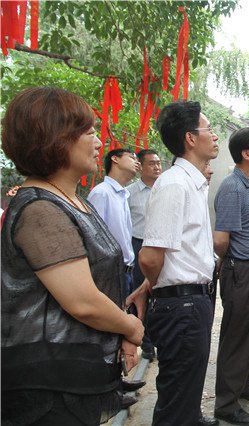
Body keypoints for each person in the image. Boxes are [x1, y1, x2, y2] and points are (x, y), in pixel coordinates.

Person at [1, 87, 144, 425]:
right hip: (48, 386)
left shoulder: (71, 198)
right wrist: (132, 327)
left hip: (74, 376)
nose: (99, 142)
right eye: (90, 132)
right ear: (56, 137)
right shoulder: (41, 209)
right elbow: (83, 302)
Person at [128, 101, 219, 426]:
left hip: (192, 301)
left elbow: (172, 253)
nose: (215, 136)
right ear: (190, 138)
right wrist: (159, 284)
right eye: (209, 129)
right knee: (176, 401)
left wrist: (152, 283)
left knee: (187, 389)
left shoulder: (192, 183)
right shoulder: (175, 184)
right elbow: (150, 256)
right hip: (182, 306)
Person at [213, 127, 249, 426]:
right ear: (246, 153)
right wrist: (233, 265)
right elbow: (220, 240)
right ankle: (225, 403)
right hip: (242, 270)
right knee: (237, 336)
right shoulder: (232, 188)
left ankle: (243, 384)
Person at [88, 148, 139, 297]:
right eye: (132, 157)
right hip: (110, 273)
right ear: (115, 159)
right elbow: (94, 236)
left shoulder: (123, 194)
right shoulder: (101, 193)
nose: (137, 162)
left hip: (126, 271)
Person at [126, 148, 162, 361]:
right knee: (141, 295)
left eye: (158, 163)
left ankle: (160, 338)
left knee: (161, 293)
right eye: (151, 163)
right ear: (140, 166)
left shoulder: (165, 189)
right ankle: (147, 344)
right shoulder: (129, 193)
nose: (157, 167)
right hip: (138, 244)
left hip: (160, 246)